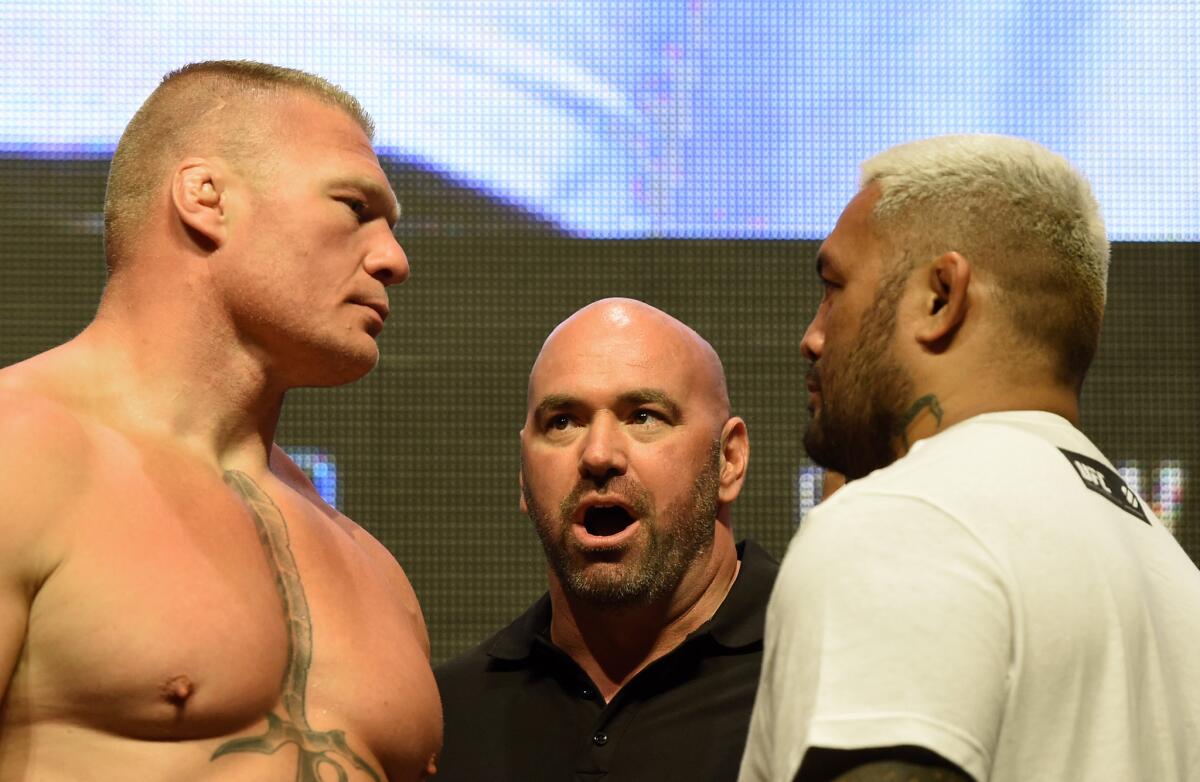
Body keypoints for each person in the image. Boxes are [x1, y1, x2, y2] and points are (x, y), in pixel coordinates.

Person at [0, 61, 440, 780]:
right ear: (207, 199)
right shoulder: (18, 455)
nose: (394, 260)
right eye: (355, 208)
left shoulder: (375, 572)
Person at [738, 134, 1200, 782]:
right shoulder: (1171, 574)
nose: (812, 336)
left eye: (834, 287)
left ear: (940, 296)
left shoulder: (904, 524)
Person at [435, 297, 778, 781]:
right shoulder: (447, 717)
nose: (598, 454)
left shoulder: (821, 675)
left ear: (729, 459)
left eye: (643, 416)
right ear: (523, 475)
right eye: (562, 422)